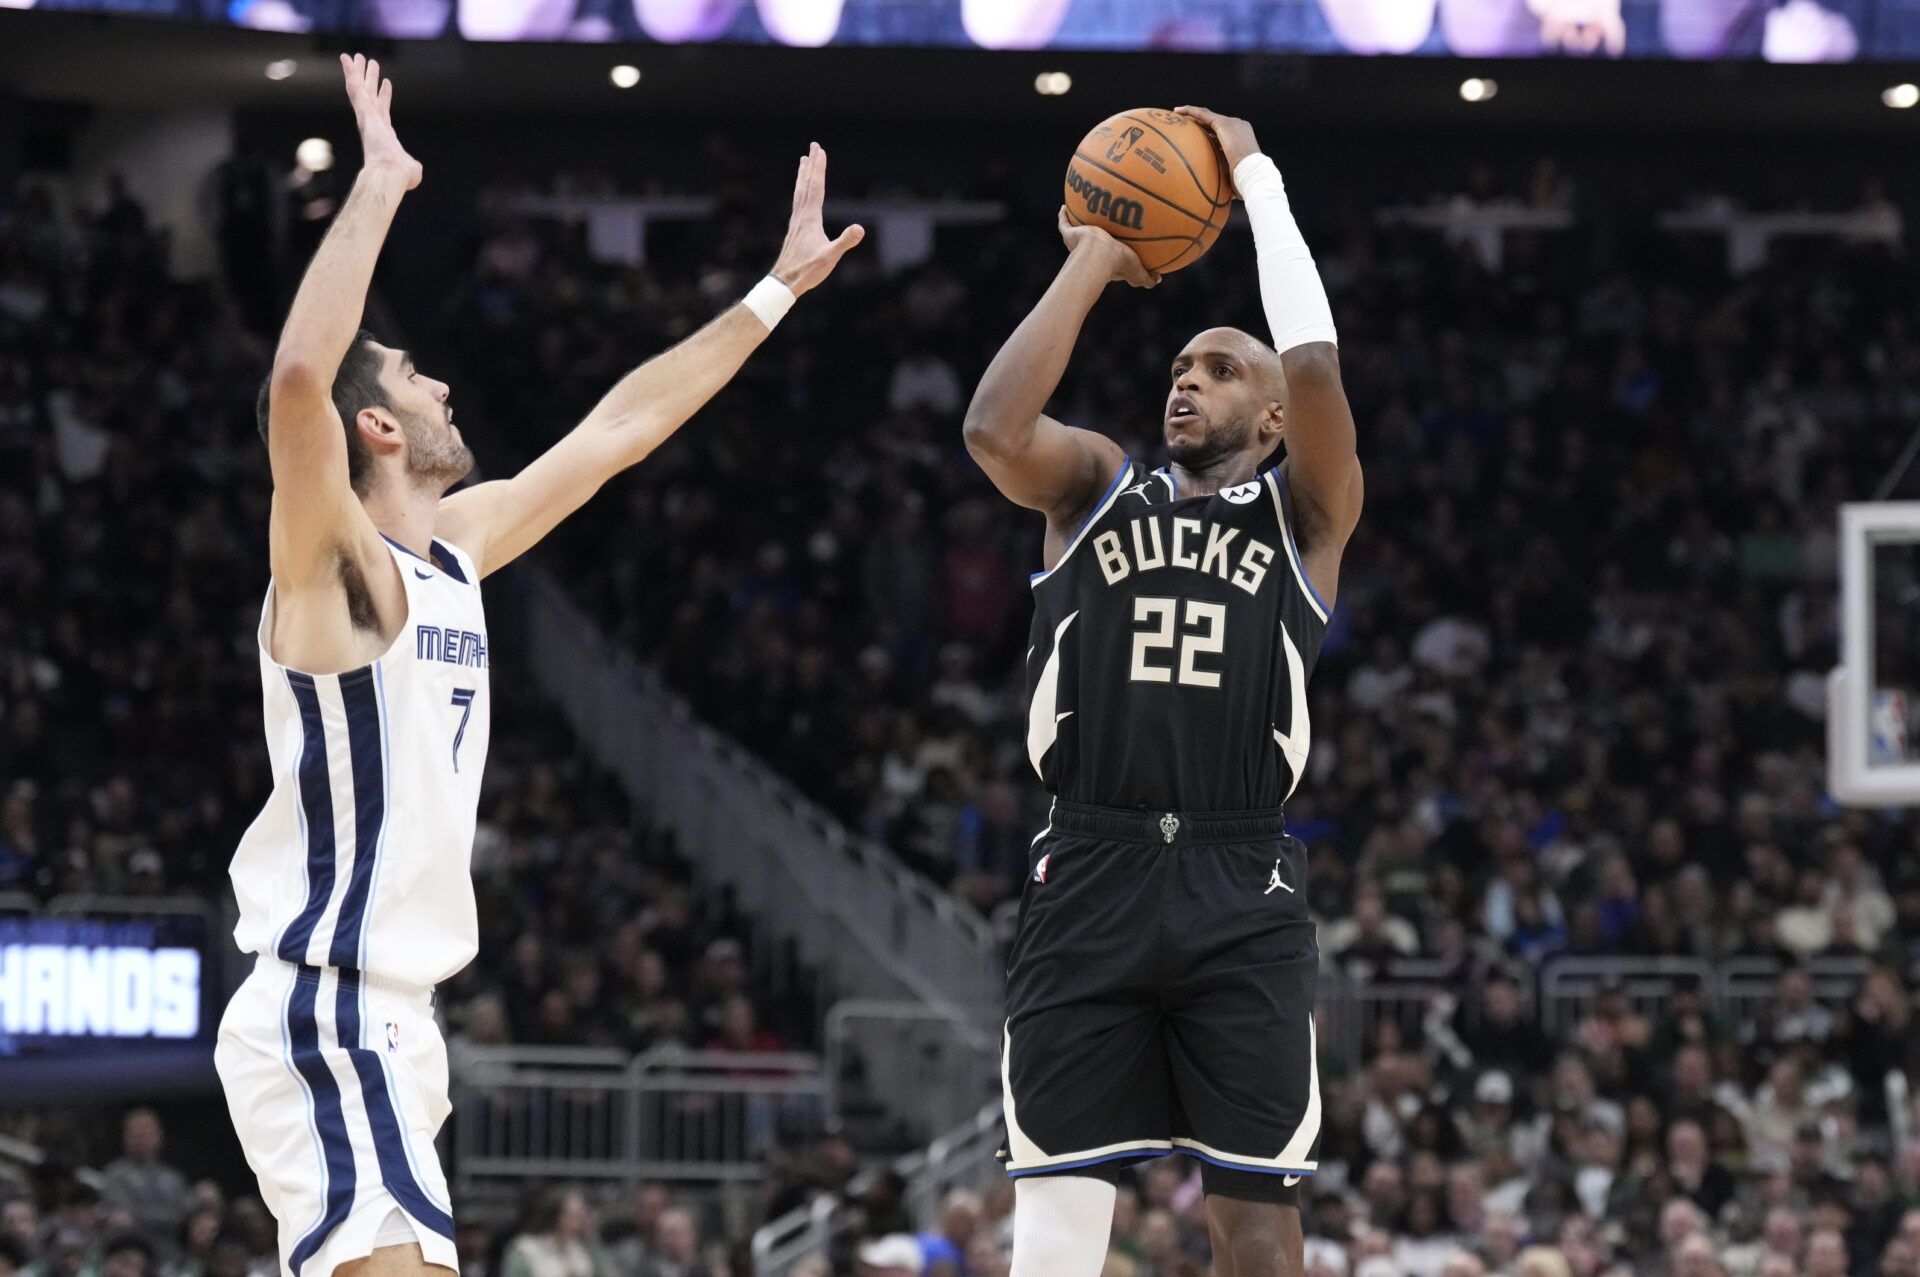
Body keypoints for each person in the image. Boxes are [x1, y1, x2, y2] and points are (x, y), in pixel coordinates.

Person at [211, 54, 862, 1277]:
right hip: (329, 1007)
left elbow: (619, 427)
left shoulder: (456, 549)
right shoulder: (330, 568)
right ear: (378, 428)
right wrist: (382, 183)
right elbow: (298, 378)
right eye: (415, 374)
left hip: (400, 1021)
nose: (445, 380)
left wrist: (776, 289)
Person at [965, 105, 1360, 1277]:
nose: (1187, 381)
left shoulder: (1307, 514)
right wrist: (1092, 253)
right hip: (1089, 859)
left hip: (1243, 878)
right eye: (1181, 365)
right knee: (1057, 1212)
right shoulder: (1095, 482)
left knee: (1254, 1224)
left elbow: (1322, 359)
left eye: (1222, 369)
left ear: (1275, 415)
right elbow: (993, 428)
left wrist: (1256, 178)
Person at [98, 1110, 192, 1258]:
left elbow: (181, 1215)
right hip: (131, 1255)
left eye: (147, 1135)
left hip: (171, 1254)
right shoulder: (114, 1174)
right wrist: (163, 1215)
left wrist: (138, 1216)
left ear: (159, 1137)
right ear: (125, 1139)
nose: (142, 1141)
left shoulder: (173, 1178)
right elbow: (121, 1215)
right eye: (136, 1136)